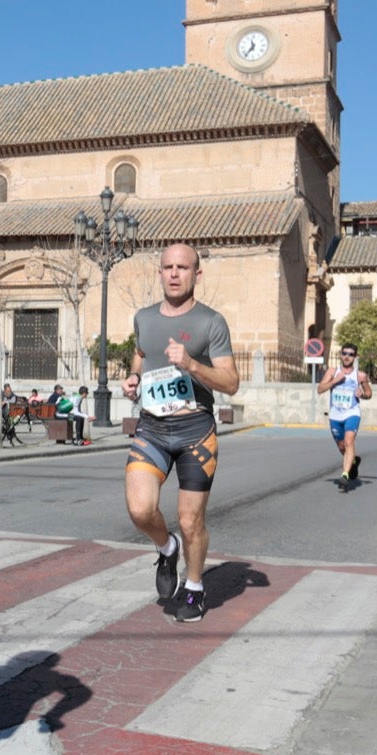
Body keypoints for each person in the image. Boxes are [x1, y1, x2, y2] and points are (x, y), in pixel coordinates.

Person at [121, 243, 239, 622]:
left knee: (191, 521)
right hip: (152, 427)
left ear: (196, 275)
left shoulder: (211, 323)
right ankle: (166, 546)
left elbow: (231, 382)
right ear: (160, 272)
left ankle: (194, 588)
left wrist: (191, 364)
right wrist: (134, 377)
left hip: (195, 432)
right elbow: (140, 353)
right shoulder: (144, 318)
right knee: (140, 509)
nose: (174, 274)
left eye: (182, 268)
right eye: (168, 267)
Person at [317, 343, 371, 488]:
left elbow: (369, 393)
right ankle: (353, 461)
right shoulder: (332, 371)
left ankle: (345, 475)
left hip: (352, 413)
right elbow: (320, 389)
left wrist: (363, 395)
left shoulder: (360, 375)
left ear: (355, 357)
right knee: (342, 446)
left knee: (348, 442)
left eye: (351, 354)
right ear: (341, 355)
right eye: (345, 353)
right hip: (335, 415)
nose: (347, 357)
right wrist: (335, 380)